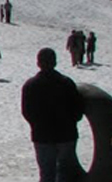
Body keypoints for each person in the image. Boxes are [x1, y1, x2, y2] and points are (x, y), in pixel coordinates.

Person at [21, 48, 84, 182]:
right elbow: (78, 109)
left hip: (42, 136)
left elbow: (27, 112)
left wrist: (37, 125)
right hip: (67, 135)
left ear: (38, 63)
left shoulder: (30, 85)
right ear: (55, 62)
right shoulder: (67, 83)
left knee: (46, 174)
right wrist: (70, 122)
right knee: (66, 173)